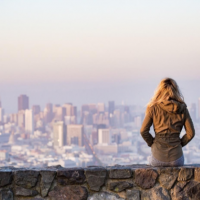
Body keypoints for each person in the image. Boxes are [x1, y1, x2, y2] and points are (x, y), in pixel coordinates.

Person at [140, 78, 195, 167]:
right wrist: (179, 144)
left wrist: (152, 143)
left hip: (157, 157)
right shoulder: (183, 109)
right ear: (176, 91)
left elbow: (143, 131)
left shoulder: (153, 108)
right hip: (177, 159)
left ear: (159, 91)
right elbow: (191, 133)